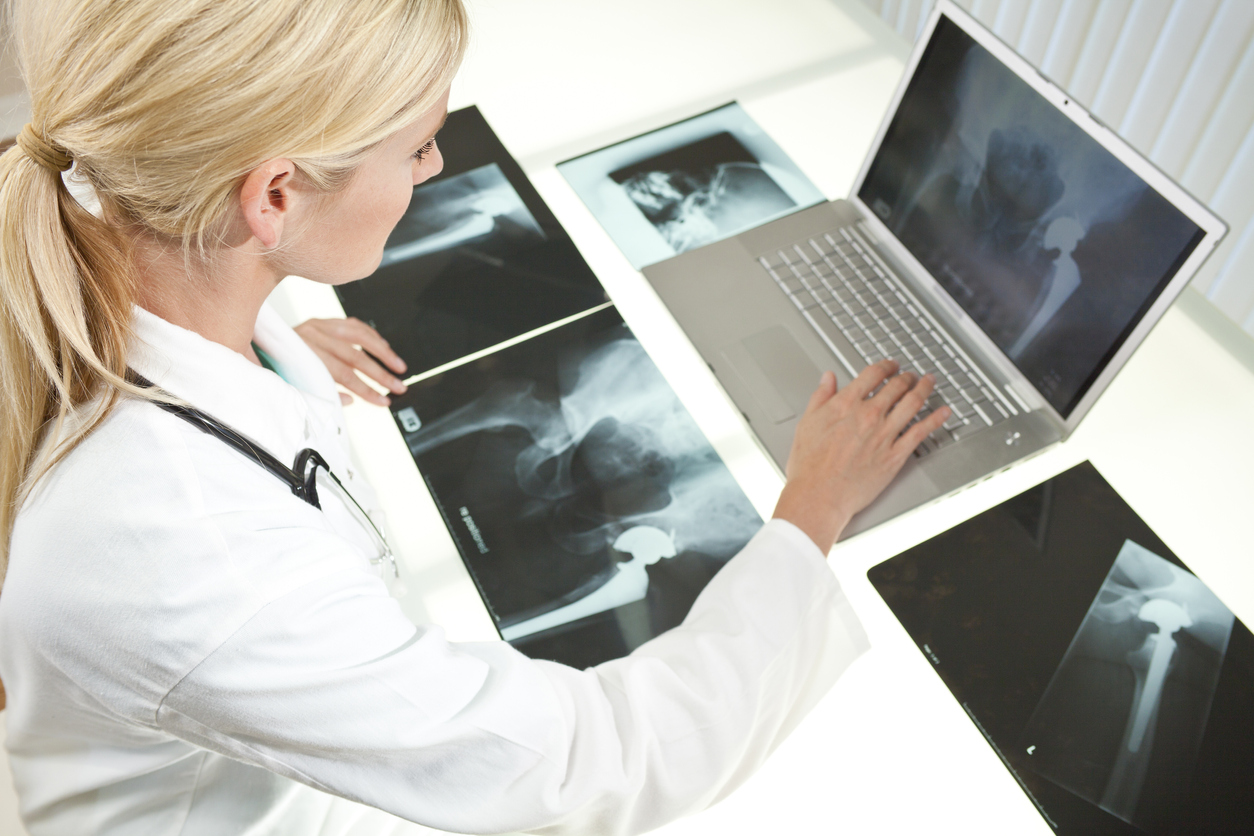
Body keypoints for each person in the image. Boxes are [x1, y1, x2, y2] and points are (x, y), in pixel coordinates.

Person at [0, 1, 950, 834]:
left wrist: (267, 339)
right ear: (274, 197)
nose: (438, 164)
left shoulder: (123, 234)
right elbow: (584, 768)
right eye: (417, 146)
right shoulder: (194, 557)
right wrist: (808, 520)